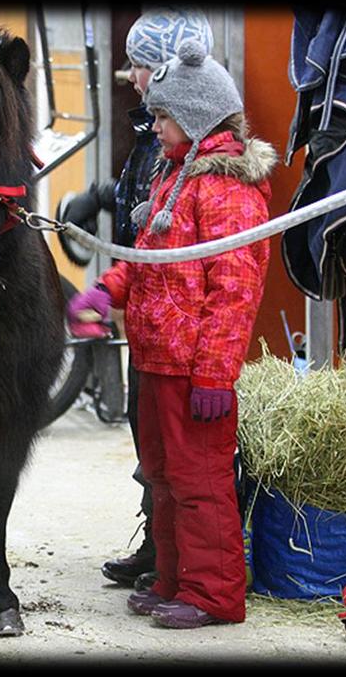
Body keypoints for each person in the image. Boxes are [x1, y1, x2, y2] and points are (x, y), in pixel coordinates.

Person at [68, 39, 276, 628]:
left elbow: (236, 289)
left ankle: (214, 595)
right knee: (162, 474)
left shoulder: (227, 189)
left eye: (162, 115)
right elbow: (147, 255)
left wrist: (216, 372)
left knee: (200, 481)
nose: (153, 125)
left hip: (193, 370)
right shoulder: (175, 174)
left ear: (195, 116)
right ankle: (174, 580)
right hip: (156, 357)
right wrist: (107, 290)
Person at [58, 8, 214, 591]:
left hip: (177, 328)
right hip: (145, 312)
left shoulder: (194, 140)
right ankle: (159, 545)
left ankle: (180, 560)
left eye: (142, 66)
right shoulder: (156, 131)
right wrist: (99, 198)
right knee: (143, 430)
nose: (132, 76)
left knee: (175, 449)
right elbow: (142, 202)